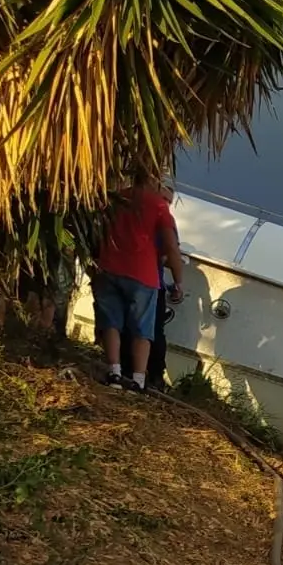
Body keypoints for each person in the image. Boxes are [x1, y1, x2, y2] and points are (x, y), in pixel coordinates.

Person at [93, 164, 184, 393]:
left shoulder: (118, 198)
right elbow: (172, 247)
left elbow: (99, 229)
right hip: (142, 274)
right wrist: (179, 281)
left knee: (111, 321)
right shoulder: (158, 207)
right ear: (154, 181)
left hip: (109, 266)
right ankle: (138, 380)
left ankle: (114, 372)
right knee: (143, 329)